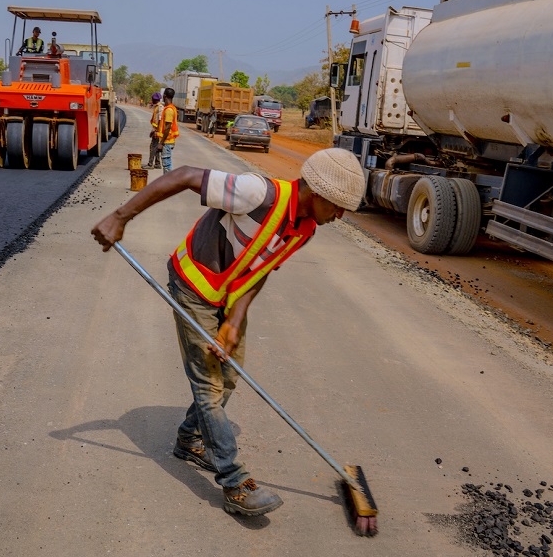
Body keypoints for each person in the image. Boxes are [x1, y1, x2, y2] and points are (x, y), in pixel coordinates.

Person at [91, 148, 366, 518]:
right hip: (193, 287)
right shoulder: (257, 193)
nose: (340, 216)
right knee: (209, 386)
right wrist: (120, 216)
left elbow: (261, 268)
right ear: (316, 193)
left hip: (228, 298)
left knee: (230, 378)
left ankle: (189, 439)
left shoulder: (304, 230)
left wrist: (236, 319)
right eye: (337, 206)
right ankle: (234, 482)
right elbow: (186, 173)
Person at [156, 88, 179, 172]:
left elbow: (167, 127)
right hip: (168, 141)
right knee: (167, 165)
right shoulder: (171, 108)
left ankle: (169, 184)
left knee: (166, 166)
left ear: (164, 96)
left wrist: (161, 143)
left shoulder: (169, 110)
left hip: (167, 142)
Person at [146, 92, 163, 169]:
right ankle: (157, 163)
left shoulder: (159, 107)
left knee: (153, 146)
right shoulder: (157, 107)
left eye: (152, 99)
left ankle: (150, 164)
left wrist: (155, 131)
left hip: (157, 131)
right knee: (155, 146)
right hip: (157, 129)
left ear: (154, 99)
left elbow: (159, 120)